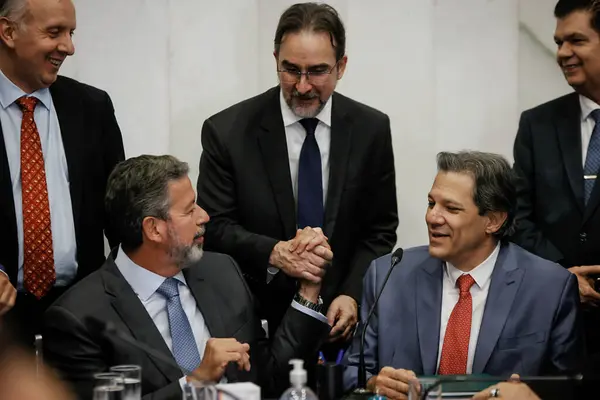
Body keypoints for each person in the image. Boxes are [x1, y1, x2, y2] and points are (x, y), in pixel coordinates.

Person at [42, 155, 331, 400]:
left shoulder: (221, 273)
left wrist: (309, 286)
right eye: (190, 210)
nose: (204, 216)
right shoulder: (79, 319)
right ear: (154, 229)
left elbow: (270, 378)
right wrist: (194, 383)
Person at [196, 2, 398, 352]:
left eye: (318, 71)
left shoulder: (371, 129)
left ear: (342, 66)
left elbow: (379, 231)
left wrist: (352, 293)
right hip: (256, 325)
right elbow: (214, 228)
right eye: (291, 70)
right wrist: (275, 253)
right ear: (275, 59)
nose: (302, 86)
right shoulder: (226, 132)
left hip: (342, 324)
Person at [343, 151, 583, 399]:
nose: (432, 217)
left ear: (493, 220)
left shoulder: (550, 287)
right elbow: (353, 373)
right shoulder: (388, 275)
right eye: (431, 203)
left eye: (451, 208)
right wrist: (373, 383)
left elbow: (569, 389)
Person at [0, 0, 125, 347]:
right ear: (8, 32)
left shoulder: (93, 108)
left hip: (82, 312)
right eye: (54, 32)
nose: (68, 47)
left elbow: (120, 214)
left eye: (70, 33)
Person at [510, 0, 600, 373]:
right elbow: (517, 217)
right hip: (554, 324)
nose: (562, 53)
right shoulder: (537, 124)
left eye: (576, 40)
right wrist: (561, 276)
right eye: (559, 42)